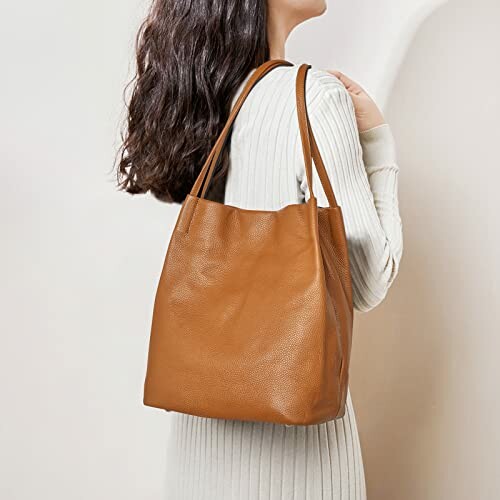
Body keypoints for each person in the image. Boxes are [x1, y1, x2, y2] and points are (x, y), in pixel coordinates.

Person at [117, 0, 403, 498]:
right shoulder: (314, 97)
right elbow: (368, 278)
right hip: (295, 468)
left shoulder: (199, 98)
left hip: (198, 456)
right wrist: (377, 141)